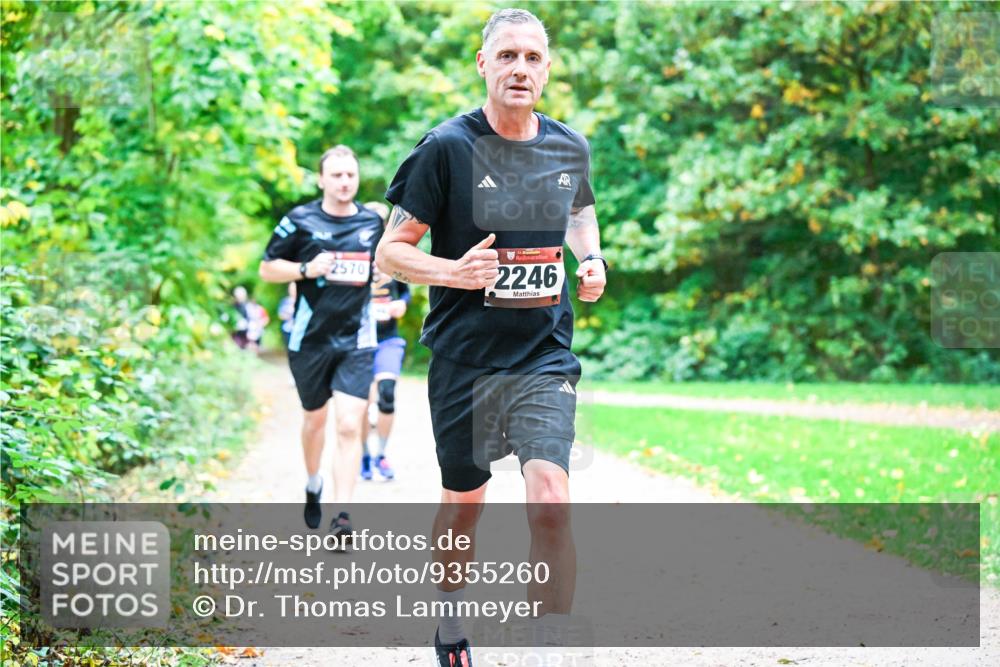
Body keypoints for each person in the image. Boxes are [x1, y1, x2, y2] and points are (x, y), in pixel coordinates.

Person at [376, 9, 607, 666]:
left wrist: (592, 259)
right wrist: (453, 271)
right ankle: (451, 622)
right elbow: (390, 251)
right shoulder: (446, 148)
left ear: (547, 69)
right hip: (466, 360)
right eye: (507, 55)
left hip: (542, 353)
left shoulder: (568, 146)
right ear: (483, 64)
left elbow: (580, 211)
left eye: (532, 58)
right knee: (463, 508)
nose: (520, 69)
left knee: (552, 501)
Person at [259, 145, 383, 537]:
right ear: (321, 180)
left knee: (348, 425)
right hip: (310, 340)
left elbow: (385, 266)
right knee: (315, 421)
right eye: (337, 175)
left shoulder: (371, 222)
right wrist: (306, 268)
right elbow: (267, 269)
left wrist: (381, 273)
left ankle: (342, 515)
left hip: (357, 339)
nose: (345, 182)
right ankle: (314, 483)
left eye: (351, 175)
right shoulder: (300, 220)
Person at [360, 201, 410, 482]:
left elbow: (404, 291)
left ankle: (381, 454)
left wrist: (401, 304)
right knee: (361, 403)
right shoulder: (354, 253)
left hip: (388, 338)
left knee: (387, 394)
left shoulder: (392, 254)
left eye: (380, 220)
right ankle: (364, 455)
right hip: (358, 340)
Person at [278, 282, 297, 349]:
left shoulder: (301, 299)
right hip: (287, 329)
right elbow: (280, 315)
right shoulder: (285, 301)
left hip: (299, 329)